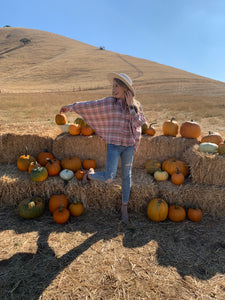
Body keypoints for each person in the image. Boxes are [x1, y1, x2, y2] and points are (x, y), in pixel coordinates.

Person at [60, 72, 146, 224]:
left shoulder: (136, 105)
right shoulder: (109, 102)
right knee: (109, 178)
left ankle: (124, 207)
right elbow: (90, 105)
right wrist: (71, 107)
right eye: (112, 86)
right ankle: (90, 175)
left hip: (128, 146)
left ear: (125, 88)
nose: (113, 89)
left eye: (116, 86)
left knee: (127, 176)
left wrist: (131, 106)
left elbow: (140, 123)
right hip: (114, 145)